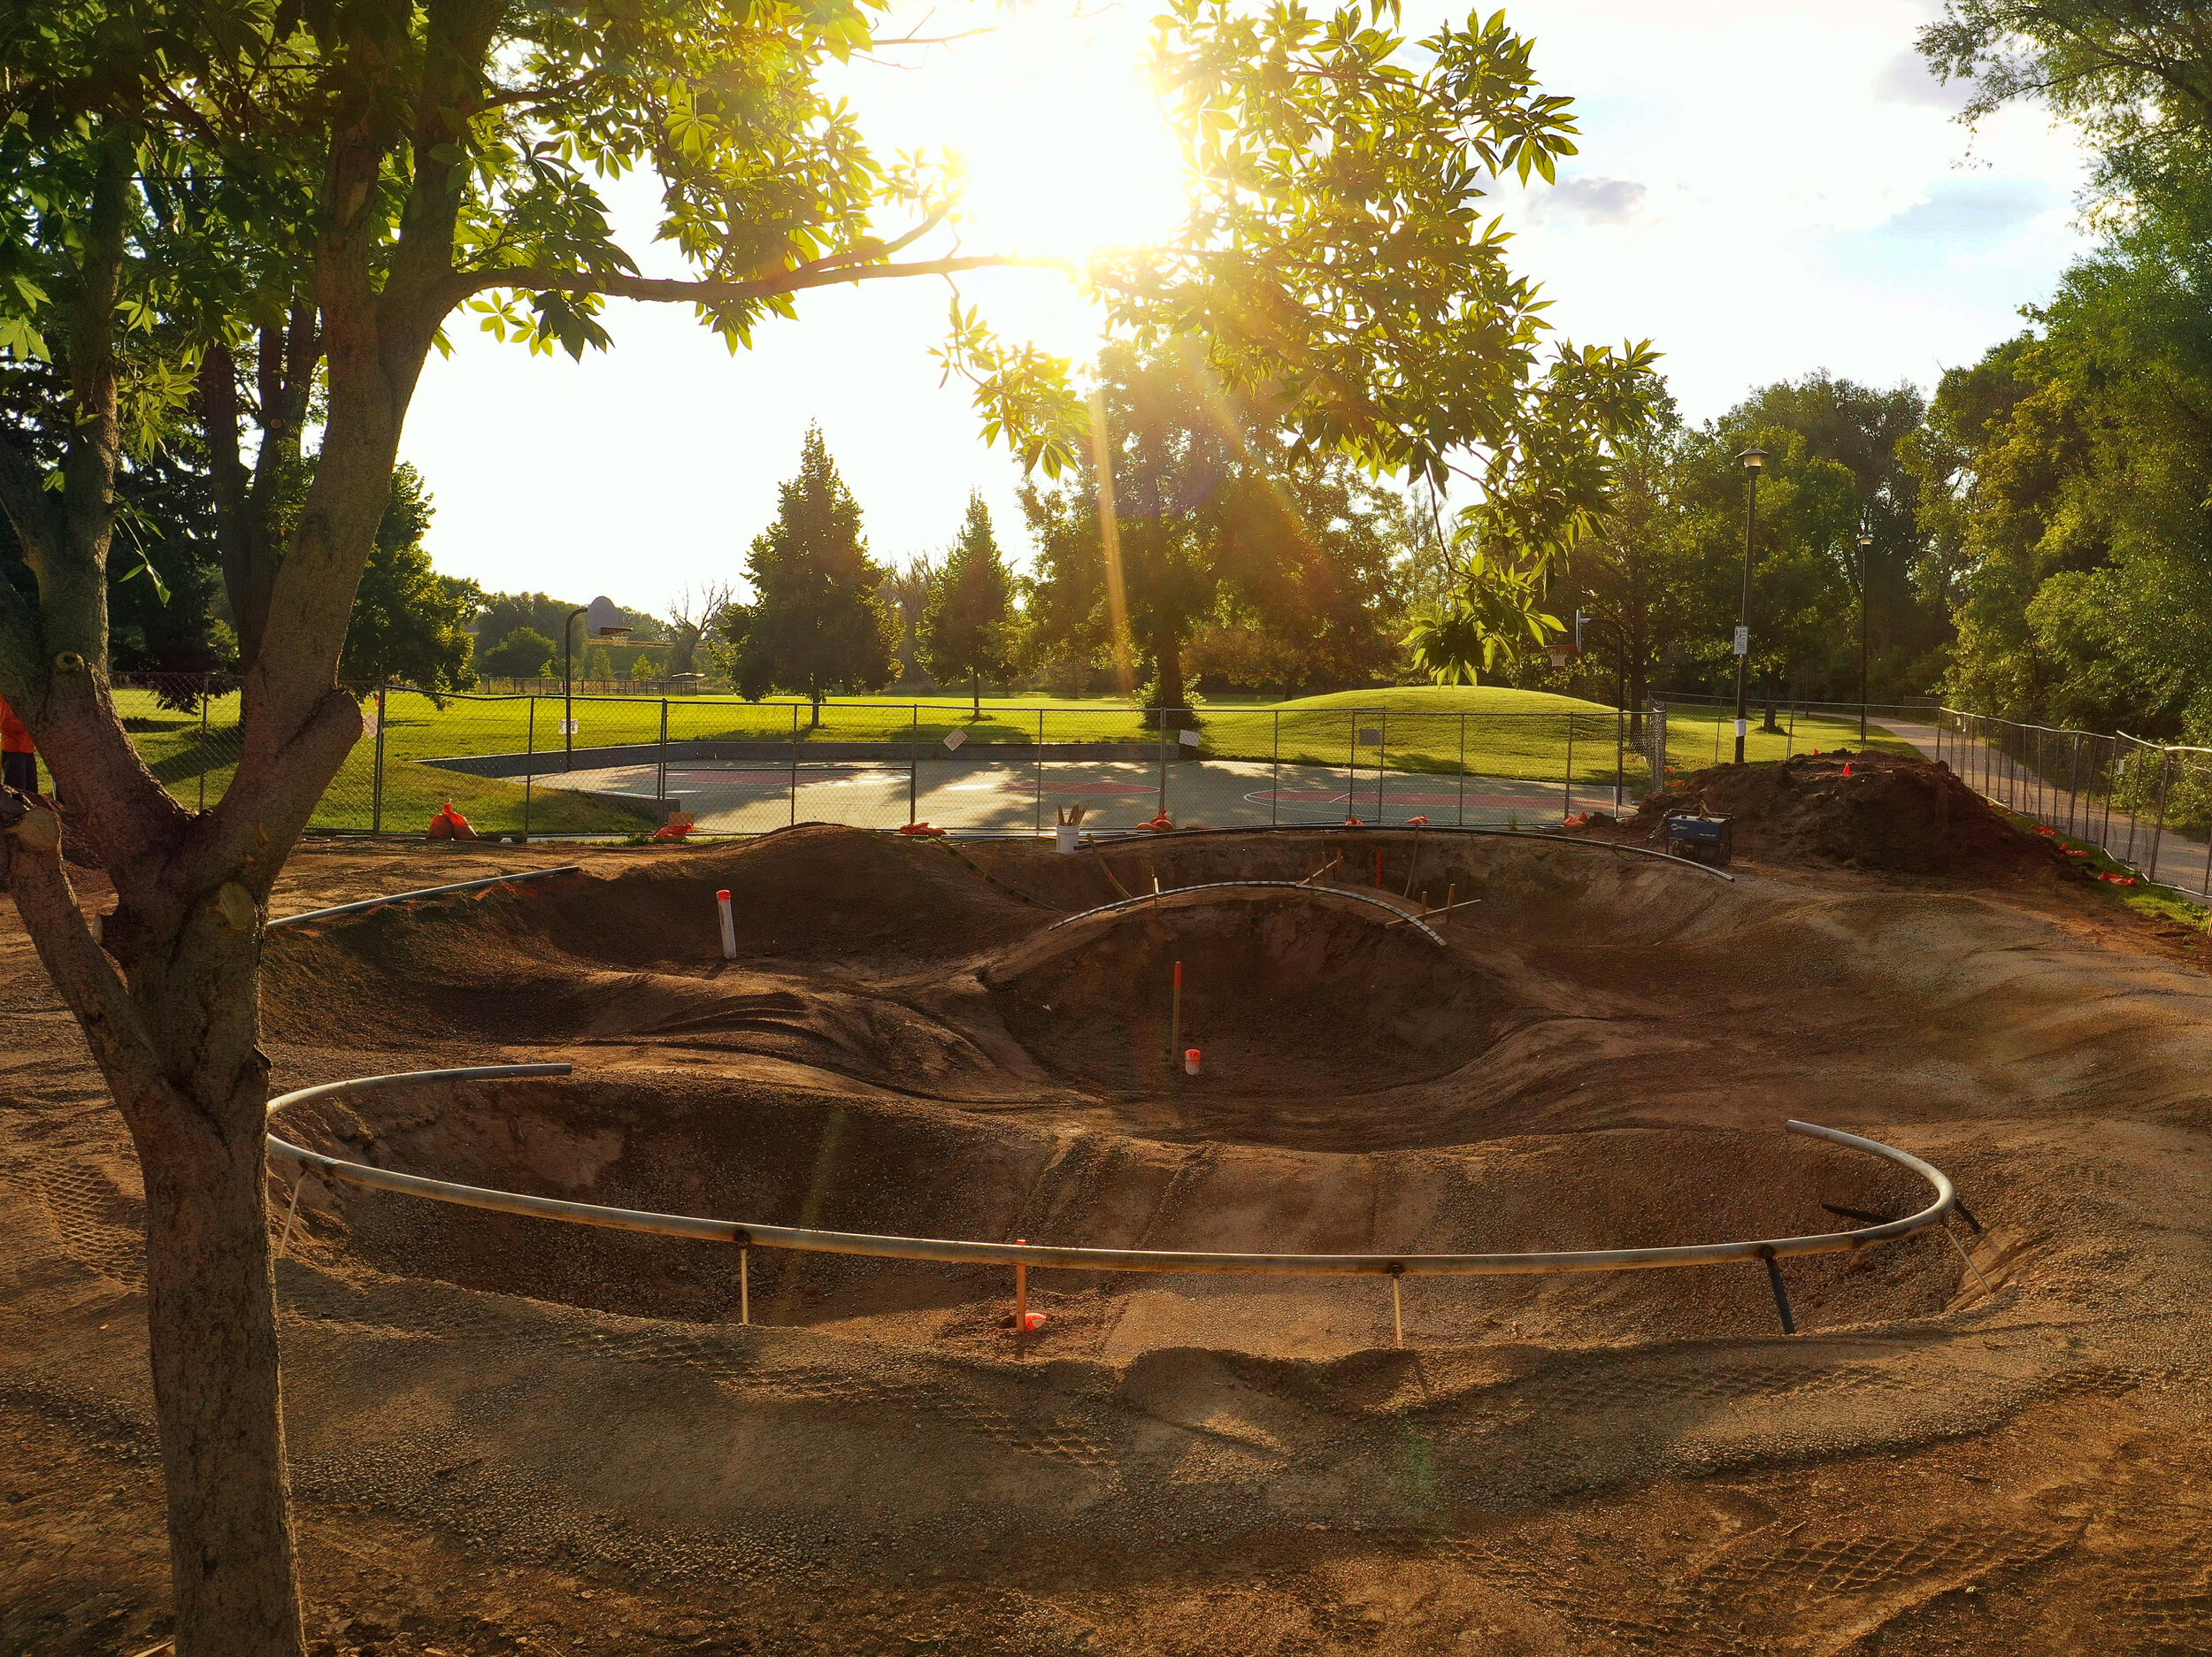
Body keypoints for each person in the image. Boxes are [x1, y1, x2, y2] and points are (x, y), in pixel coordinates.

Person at [0, 694, 35, 795]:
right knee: (17, 793)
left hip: (28, 749)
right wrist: (28, 724)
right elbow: (5, 724)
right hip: (13, 751)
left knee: (31, 792)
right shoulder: (8, 697)